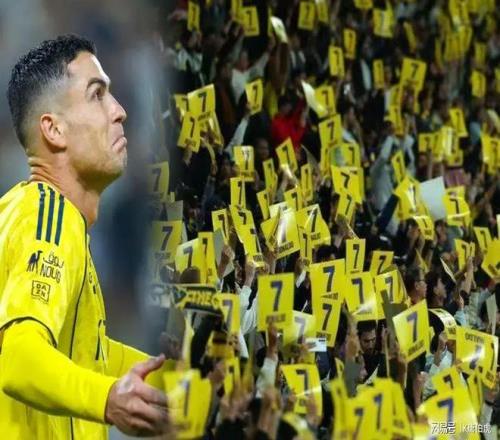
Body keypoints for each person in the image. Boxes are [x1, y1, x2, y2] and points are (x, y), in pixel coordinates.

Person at [0, 35, 171, 438]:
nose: (119, 111)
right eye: (97, 95)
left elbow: (86, 355)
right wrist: (107, 399)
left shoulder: (34, 216)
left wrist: (176, 383)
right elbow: (19, 358)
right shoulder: (48, 216)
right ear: (54, 129)